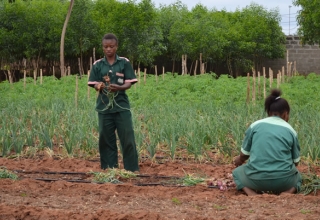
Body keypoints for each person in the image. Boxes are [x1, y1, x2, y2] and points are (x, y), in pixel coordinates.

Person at [232, 89, 302, 196]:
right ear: (285, 114)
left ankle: (251, 193)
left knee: (237, 173)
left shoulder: (255, 126)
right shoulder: (291, 130)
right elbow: (296, 162)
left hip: (256, 180)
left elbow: (244, 155)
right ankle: (287, 193)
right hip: (283, 182)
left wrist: (239, 160)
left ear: (269, 113)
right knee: (298, 177)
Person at [88, 33, 139, 172]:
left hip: (121, 106)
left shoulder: (124, 62)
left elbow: (129, 82)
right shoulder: (98, 65)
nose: (108, 49)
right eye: (106, 47)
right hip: (104, 107)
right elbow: (93, 83)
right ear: (103, 48)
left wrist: (119, 87)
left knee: (127, 137)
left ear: (116, 47)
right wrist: (98, 86)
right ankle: (109, 169)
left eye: (111, 46)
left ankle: (131, 169)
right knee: (106, 138)